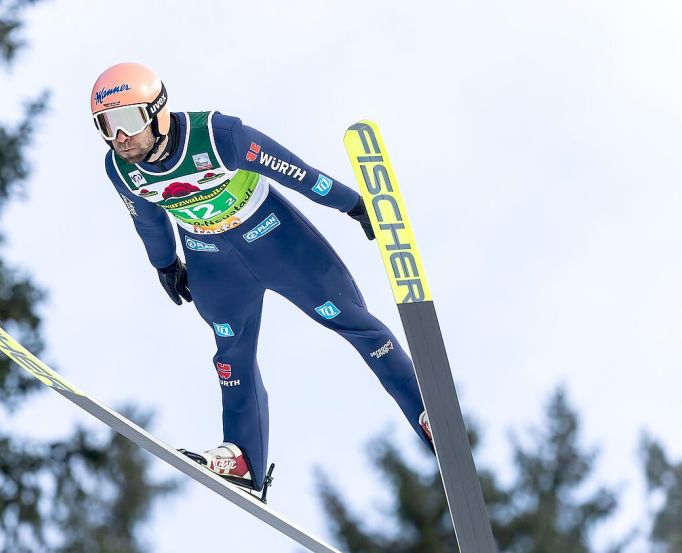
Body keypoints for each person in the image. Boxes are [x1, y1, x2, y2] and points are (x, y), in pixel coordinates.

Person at [92, 62, 433, 494]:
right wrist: (164, 264)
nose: (119, 137)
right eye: (106, 125)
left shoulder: (218, 136)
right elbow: (148, 220)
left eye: (127, 121)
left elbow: (295, 171)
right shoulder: (120, 169)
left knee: (352, 321)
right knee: (230, 358)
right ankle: (243, 458)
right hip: (213, 262)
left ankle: (426, 413)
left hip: (276, 241)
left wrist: (354, 205)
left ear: (157, 112)